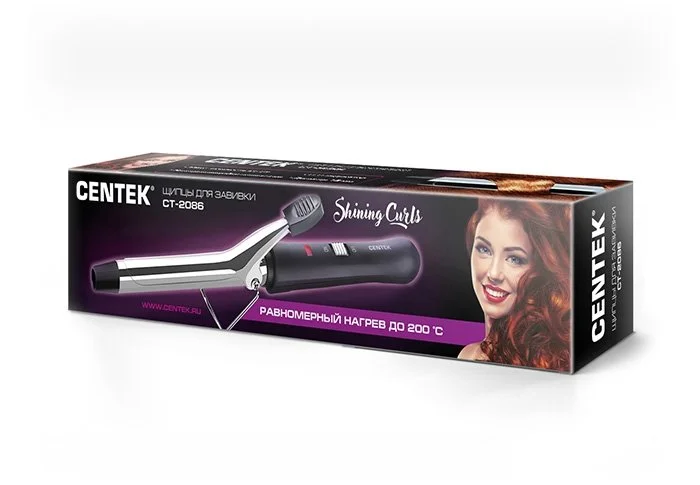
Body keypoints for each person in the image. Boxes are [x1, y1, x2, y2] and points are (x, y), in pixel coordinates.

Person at [459, 198, 571, 371]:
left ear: (540, 269)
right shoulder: (469, 355)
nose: (494, 273)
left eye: (514, 259)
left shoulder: (550, 360)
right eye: (484, 249)